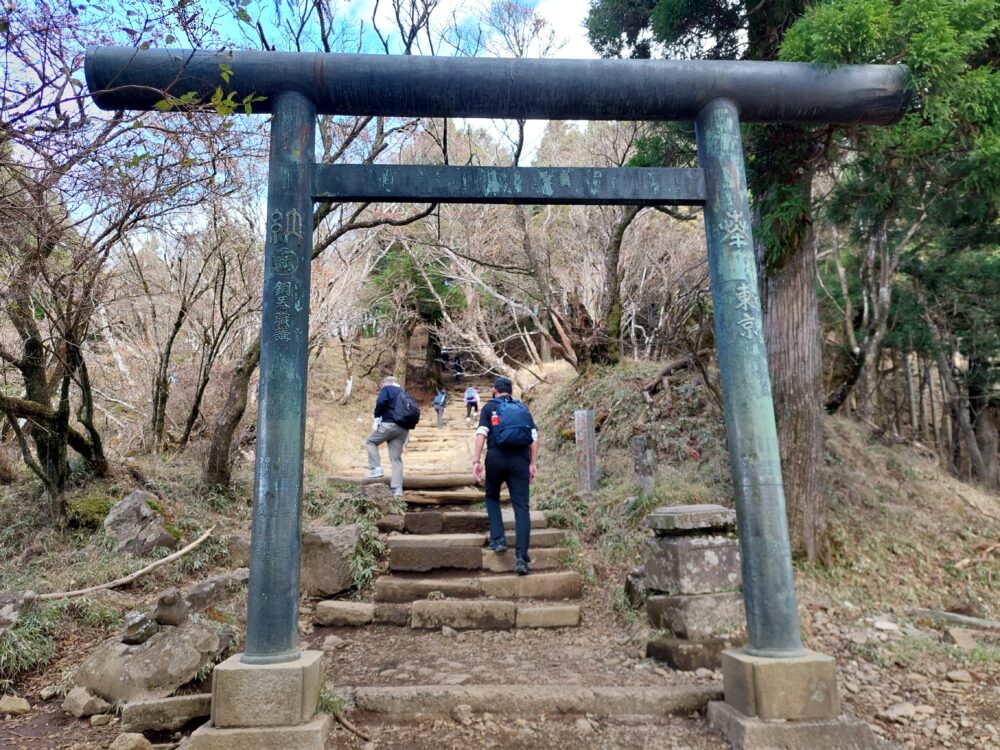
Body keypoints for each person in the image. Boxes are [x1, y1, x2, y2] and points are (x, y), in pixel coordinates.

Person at [472, 376, 538, 576]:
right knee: (521, 507)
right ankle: (520, 558)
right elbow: (534, 438)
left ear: (494, 390)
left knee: (492, 496)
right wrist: (533, 463)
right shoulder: (522, 408)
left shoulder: (488, 408)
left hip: (496, 458)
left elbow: (481, 434)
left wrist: (476, 461)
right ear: (510, 391)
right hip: (520, 461)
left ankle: (499, 540)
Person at [365, 375, 413, 497]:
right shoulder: (403, 392)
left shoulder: (387, 389)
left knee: (370, 441)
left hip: (389, 424)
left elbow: (381, 402)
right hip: (403, 428)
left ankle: (376, 468)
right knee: (396, 459)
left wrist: (377, 416)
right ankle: (397, 489)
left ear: (386, 383)